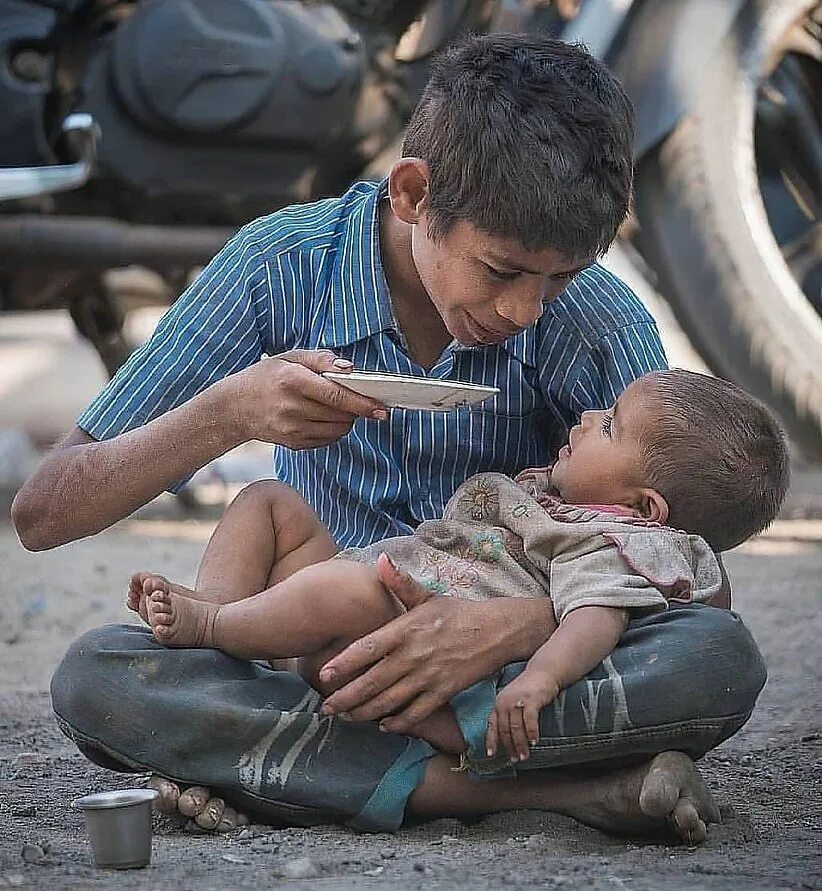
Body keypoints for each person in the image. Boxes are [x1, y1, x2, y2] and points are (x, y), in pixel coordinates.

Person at [16, 35, 770, 844]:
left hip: (503, 678)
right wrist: (229, 412)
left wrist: (524, 626)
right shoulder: (280, 268)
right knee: (99, 679)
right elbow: (44, 512)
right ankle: (563, 793)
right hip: (322, 663)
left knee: (720, 658)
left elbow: (690, 570)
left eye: (562, 277)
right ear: (413, 194)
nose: (527, 310)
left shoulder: (591, 323)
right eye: (504, 271)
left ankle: (295, 772)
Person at [130, 370, 788, 776]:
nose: (587, 418)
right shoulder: (566, 498)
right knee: (267, 503)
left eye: (609, 426)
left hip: (405, 623)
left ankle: (211, 624)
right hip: (375, 595)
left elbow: (599, 614)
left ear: (644, 509)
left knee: (345, 590)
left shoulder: (607, 541)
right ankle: (219, 640)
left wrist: (537, 681)